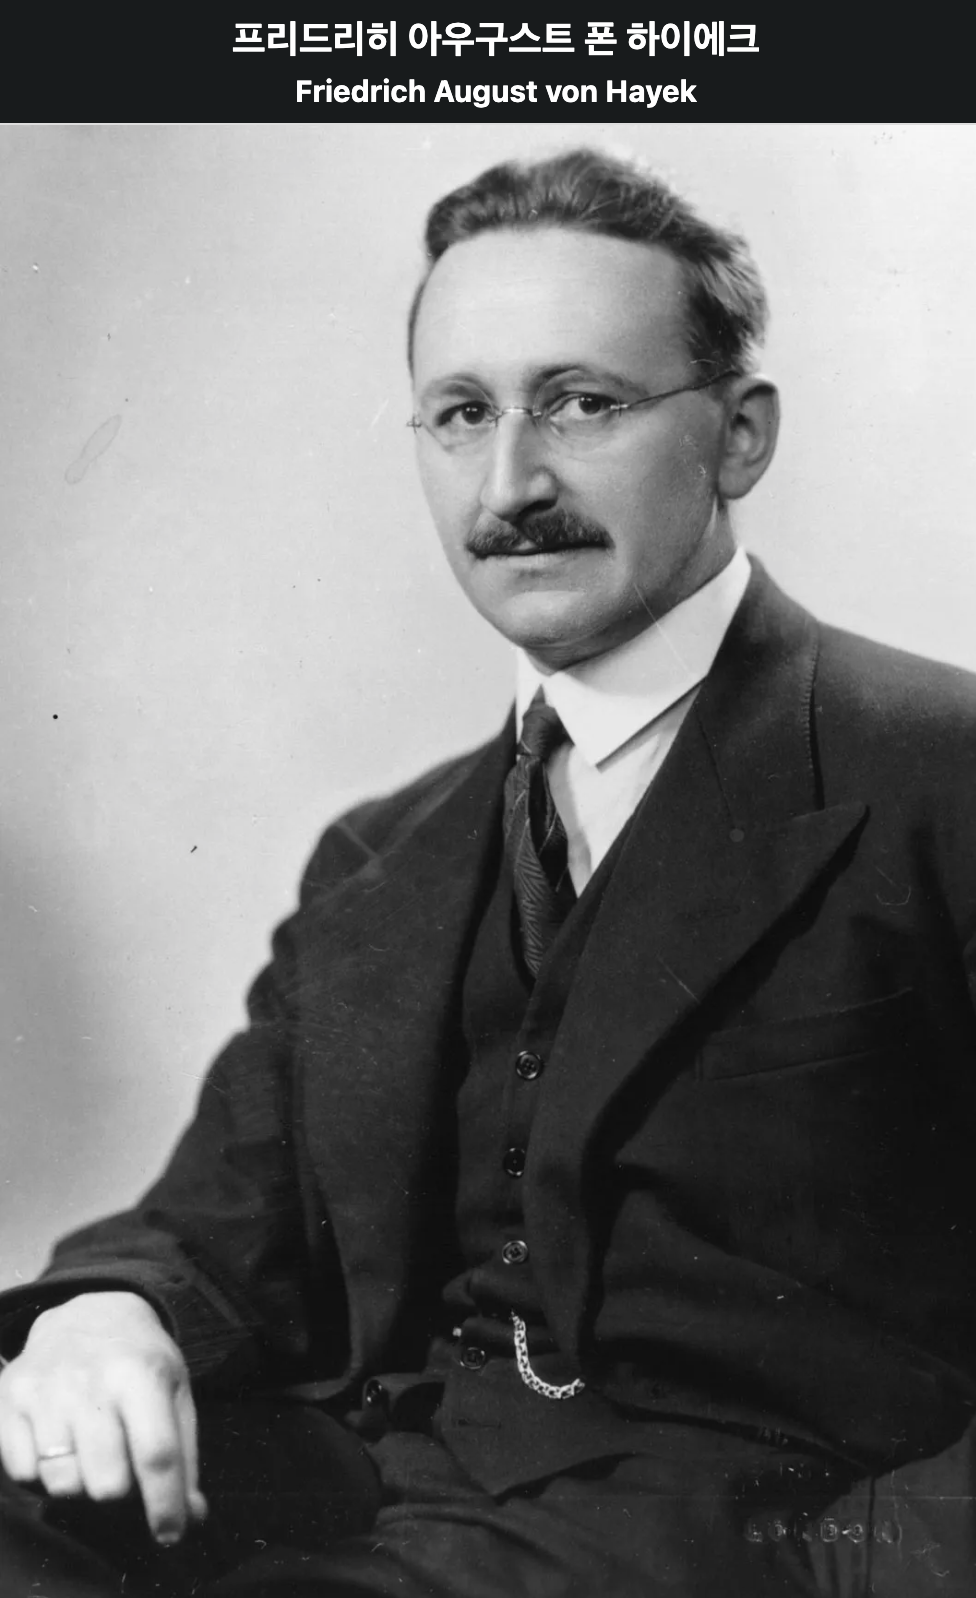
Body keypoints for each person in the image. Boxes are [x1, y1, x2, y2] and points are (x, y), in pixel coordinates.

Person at [1, 146, 975, 1598]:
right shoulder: (383, 854)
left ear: (741, 437)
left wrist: (869, 1576)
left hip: (730, 1549)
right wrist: (104, 1317)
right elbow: (213, 1227)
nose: (511, 483)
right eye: (463, 413)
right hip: (380, 1488)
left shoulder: (943, 777)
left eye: (583, 403)